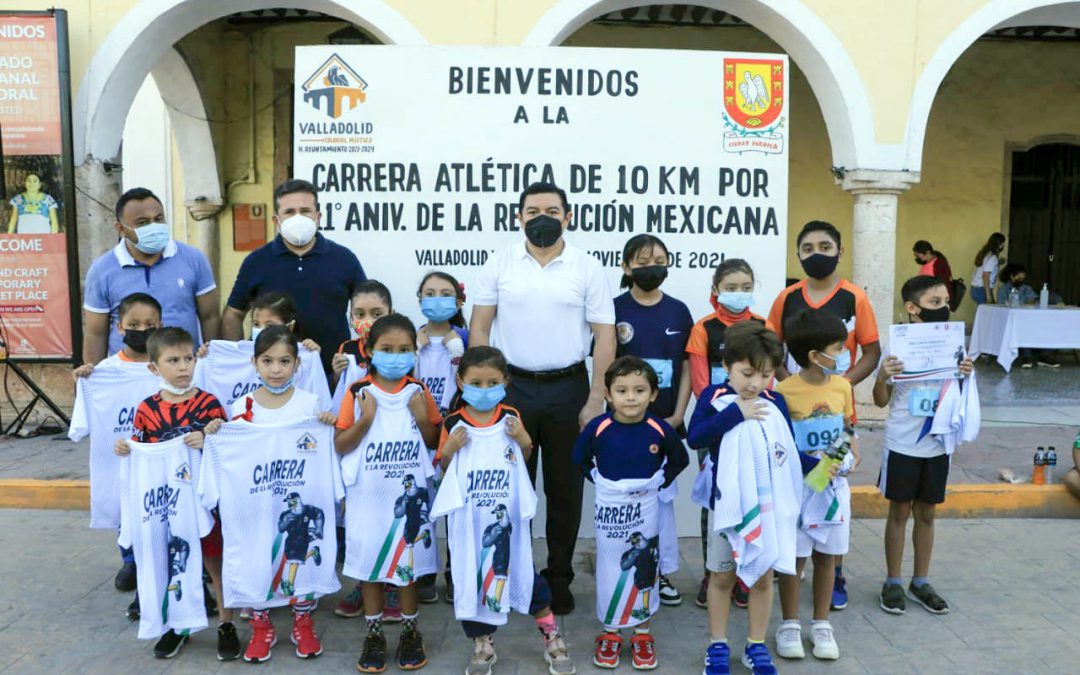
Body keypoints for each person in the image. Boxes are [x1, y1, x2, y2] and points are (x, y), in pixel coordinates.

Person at [470, 181, 616, 614]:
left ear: (568, 217)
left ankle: (559, 576)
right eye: (532, 211)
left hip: (569, 389)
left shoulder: (587, 267)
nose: (542, 218)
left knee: (564, 490)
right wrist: (484, 392)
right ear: (519, 218)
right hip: (511, 389)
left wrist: (595, 397)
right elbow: (480, 329)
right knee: (511, 489)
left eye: (552, 210)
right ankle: (514, 574)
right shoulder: (499, 264)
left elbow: (605, 338)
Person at [433, 346, 576, 675]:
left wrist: (525, 438)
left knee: (523, 573)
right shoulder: (453, 422)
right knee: (474, 581)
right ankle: (483, 643)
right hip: (471, 523)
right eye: (476, 383)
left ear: (506, 382)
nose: (484, 390)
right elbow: (443, 469)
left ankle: (550, 635)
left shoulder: (510, 417)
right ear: (461, 381)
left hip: (506, 522)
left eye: (492, 382)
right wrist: (450, 449)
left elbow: (522, 460)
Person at [689, 322, 816, 675]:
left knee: (761, 578)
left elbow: (787, 453)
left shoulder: (776, 402)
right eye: (747, 373)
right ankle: (718, 645)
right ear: (727, 365)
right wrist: (735, 413)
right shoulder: (712, 398)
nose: (755, 384)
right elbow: (696, 438)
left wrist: (822, 467)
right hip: (727, 509)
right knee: (721, 577)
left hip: (767, 510)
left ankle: (755, 645)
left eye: (764, 375)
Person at [113, 327, 236, 660]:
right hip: (168, 507)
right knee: (171, 566)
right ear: (154, 368)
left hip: (207, 504)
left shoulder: (209, 403)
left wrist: (209, 438)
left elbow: (228, 448)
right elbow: (140, 449)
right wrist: (125, 447)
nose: (183, 367)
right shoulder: (147, 409)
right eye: (173, 360)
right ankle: (177, 627)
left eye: (188, 358)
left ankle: (227, 624)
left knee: (216, 565)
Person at [334, 315, 442, 673]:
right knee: (370, 569)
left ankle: (411, 631)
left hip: (408, 500)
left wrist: (423, 418)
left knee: (407, 569)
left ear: (415, 352)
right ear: (368, 351)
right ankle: (374, 632)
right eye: (387, 349)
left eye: (404, 350)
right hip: (368, 498)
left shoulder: (418, 392)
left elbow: (433, 443)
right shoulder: (357, 392)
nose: (396, 356)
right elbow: (340, 444)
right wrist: (365, 420)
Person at [225, 325, 339, 662]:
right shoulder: (239, 407)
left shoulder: (311, 405)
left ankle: (302, 622)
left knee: (299, 560)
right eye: (268, 360)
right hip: (256, 501)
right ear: (254, 363)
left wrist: (326, 424)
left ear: (297, 364)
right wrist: (218, 430)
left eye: (285, 361)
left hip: (298, 502)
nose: (276, 369)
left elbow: (323, 452)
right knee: (257, 556)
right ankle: (261, 627)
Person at [572, 356, 688, 671]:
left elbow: (680, 460)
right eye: (622, 391)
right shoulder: (599, 427)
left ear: (653, 394)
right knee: (611, 566)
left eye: (639, 390)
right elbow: (579, 458)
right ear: (608, 395)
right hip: (610, 511)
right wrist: (597, 479)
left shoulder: (659, 429)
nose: (631, 397)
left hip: (646, 510)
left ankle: (641, 632)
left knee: (645, 568)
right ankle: (610, 632)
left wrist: (660, 481)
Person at [874, 275, 975, 617]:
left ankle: (921, 581)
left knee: (927, 513)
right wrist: (882, 376)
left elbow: (962, 399)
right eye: (935, 303)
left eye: (946, 301)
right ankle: (892, 581)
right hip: (903, 442)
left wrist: (966, 374)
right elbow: (880, 399)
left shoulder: (955, 346)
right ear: (912, 308)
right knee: (899, 512)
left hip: (937, 444)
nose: (943, 308)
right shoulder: (897, 346)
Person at [613, 234, 693, 607]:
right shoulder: (613, 309)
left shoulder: (678, 311)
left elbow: (689, 366)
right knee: (624, 499)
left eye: (659, 259)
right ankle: (621, 570)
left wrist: (678, 415)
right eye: (643, 260)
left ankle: (661, 572)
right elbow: (602, 365)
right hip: (623, 425)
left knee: (661, 500)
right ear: (627, 267)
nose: (652, 266)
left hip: (664, 424)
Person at [775, 309, 860, 662]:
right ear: (814, 355)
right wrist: (813, 467)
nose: (844, 354)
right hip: (799, 490)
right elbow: (781, 444)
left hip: (834, 490)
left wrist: (849, 458)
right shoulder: (783, 391)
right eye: (838, 347)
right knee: (796, 559)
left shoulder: (843, 386)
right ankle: (789, 624)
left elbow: (849, 431)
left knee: (828, 557)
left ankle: (821, 623)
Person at [73, 292, 162, 617]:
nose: (142, 329)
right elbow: (81, 426)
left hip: (160, 462)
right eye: (134, 324)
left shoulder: (167, 367)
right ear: (119, 327)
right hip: (120, 465)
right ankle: (130, 562)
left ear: (161, 325)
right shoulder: (101, 373)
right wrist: (86, 381)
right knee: (123, 509)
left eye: (150, 324)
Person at [223, 179, 366, 375]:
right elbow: (233, 314)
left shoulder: (344, 259)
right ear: (276, 221)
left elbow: (366, 309)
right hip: (271, 376)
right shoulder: (256, 261)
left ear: (318, 217)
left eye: (305, 211)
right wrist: (239, 360)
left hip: (332, 375)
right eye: (289, 212)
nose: (298, 217)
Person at [686, 258, 765, 609]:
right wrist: (725, 412)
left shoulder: (763, 325)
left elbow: (768, 374)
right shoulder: (703, 328)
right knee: (715, 499)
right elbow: (702, 383)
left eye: (745, 286)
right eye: (730, 287)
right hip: (716, 425)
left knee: (751, 494)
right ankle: (711, 570)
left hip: (755, 418)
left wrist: (751, 405)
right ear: (716, 289)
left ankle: (745, 573)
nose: (738, 293)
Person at [82, 187, 220, 366]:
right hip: (129, 376)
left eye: (158, 219)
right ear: (121, 229)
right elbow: (96, 333)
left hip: (184, 372)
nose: (153, 227)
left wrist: (213, 364)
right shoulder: (102, 271)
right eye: (143, 222)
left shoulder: (193, 259)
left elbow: (210, 317)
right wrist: (95, 380)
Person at [767, 220, 881, 386]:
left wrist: (843, 385)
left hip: (839, 406)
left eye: (825, 247)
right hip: (793, 403)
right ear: (799, 257)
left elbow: (872, 353)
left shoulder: (855, 297)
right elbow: (769, 347)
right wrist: (789, 384)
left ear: (840, 253)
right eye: (808, 249)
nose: (816, 254)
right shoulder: (786, 297)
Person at [995, 264, 1059, 368]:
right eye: (1019, 278)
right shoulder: (1004, 289)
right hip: (1011, 321)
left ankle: (1045, 356)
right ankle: (1026, 357)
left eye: (1023, 278)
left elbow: (1033, 301)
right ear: (1011, 276)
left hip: (1029, 318)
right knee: (1024, 328)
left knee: (1047, 326)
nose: (1021, 280)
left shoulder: (1026, 288)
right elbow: (1002, 305)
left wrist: (1032, 302)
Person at [970, 232, 1005, 305]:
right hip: (982, 289)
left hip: (976, 289)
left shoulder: (985, 253)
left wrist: (998, 263)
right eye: (1002, 243)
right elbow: (985, 275)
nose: (1003, 246)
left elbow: (986, 267)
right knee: (987, 313)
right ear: (999, 244)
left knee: (985, 312)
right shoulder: (993, 257)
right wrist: (988, 295)